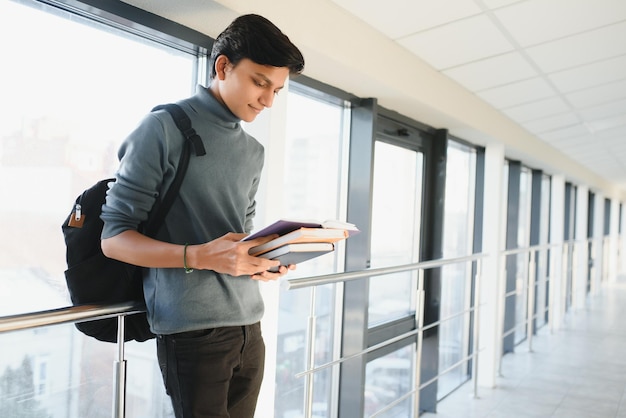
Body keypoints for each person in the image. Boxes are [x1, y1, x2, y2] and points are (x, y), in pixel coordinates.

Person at [100, 14, 305, 418]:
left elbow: (236, 239)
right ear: (223, 66)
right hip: (192, 329)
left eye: (277, 90)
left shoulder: (253, 153)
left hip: (251, 326)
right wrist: (199, 256)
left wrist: (261, 260)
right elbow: (113, 239)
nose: (267, 100)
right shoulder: (162, 129)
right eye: (260, 82)